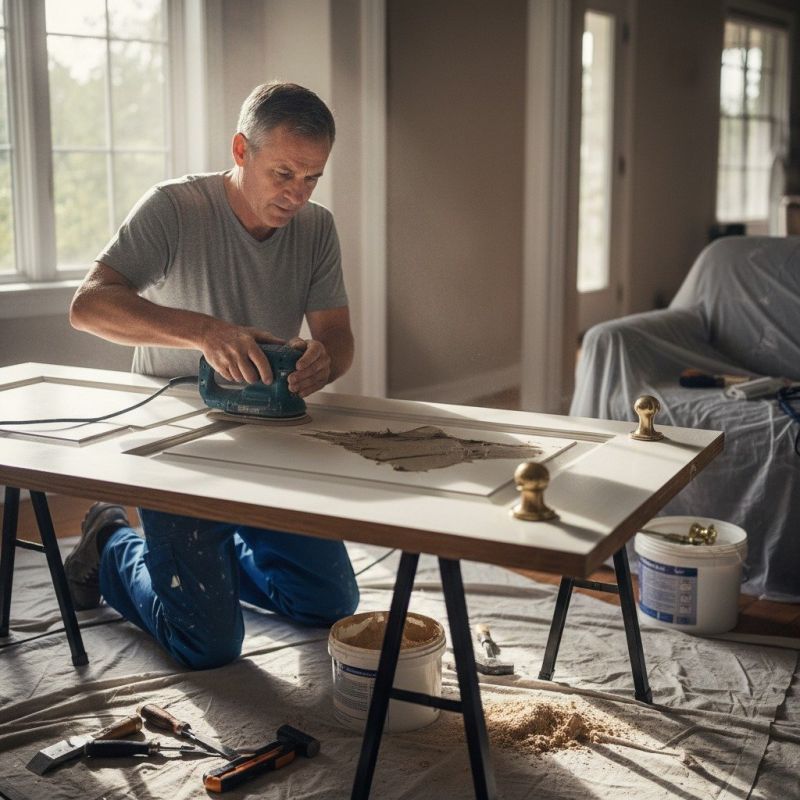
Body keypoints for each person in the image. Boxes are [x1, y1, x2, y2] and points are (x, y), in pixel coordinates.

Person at [64, 82, 359, 670]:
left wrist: (325, 359)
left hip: (265, 437)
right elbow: (87, 305)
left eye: (311, 179)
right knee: (208, 643)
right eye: (283, 174)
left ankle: (220, 552)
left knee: (330, 603)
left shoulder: (318, 228)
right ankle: (109, 540)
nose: (297, 195)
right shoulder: (174, 208)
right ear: (241, 150)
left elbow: (339, 337)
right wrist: (203, 332)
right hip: (174, 442)